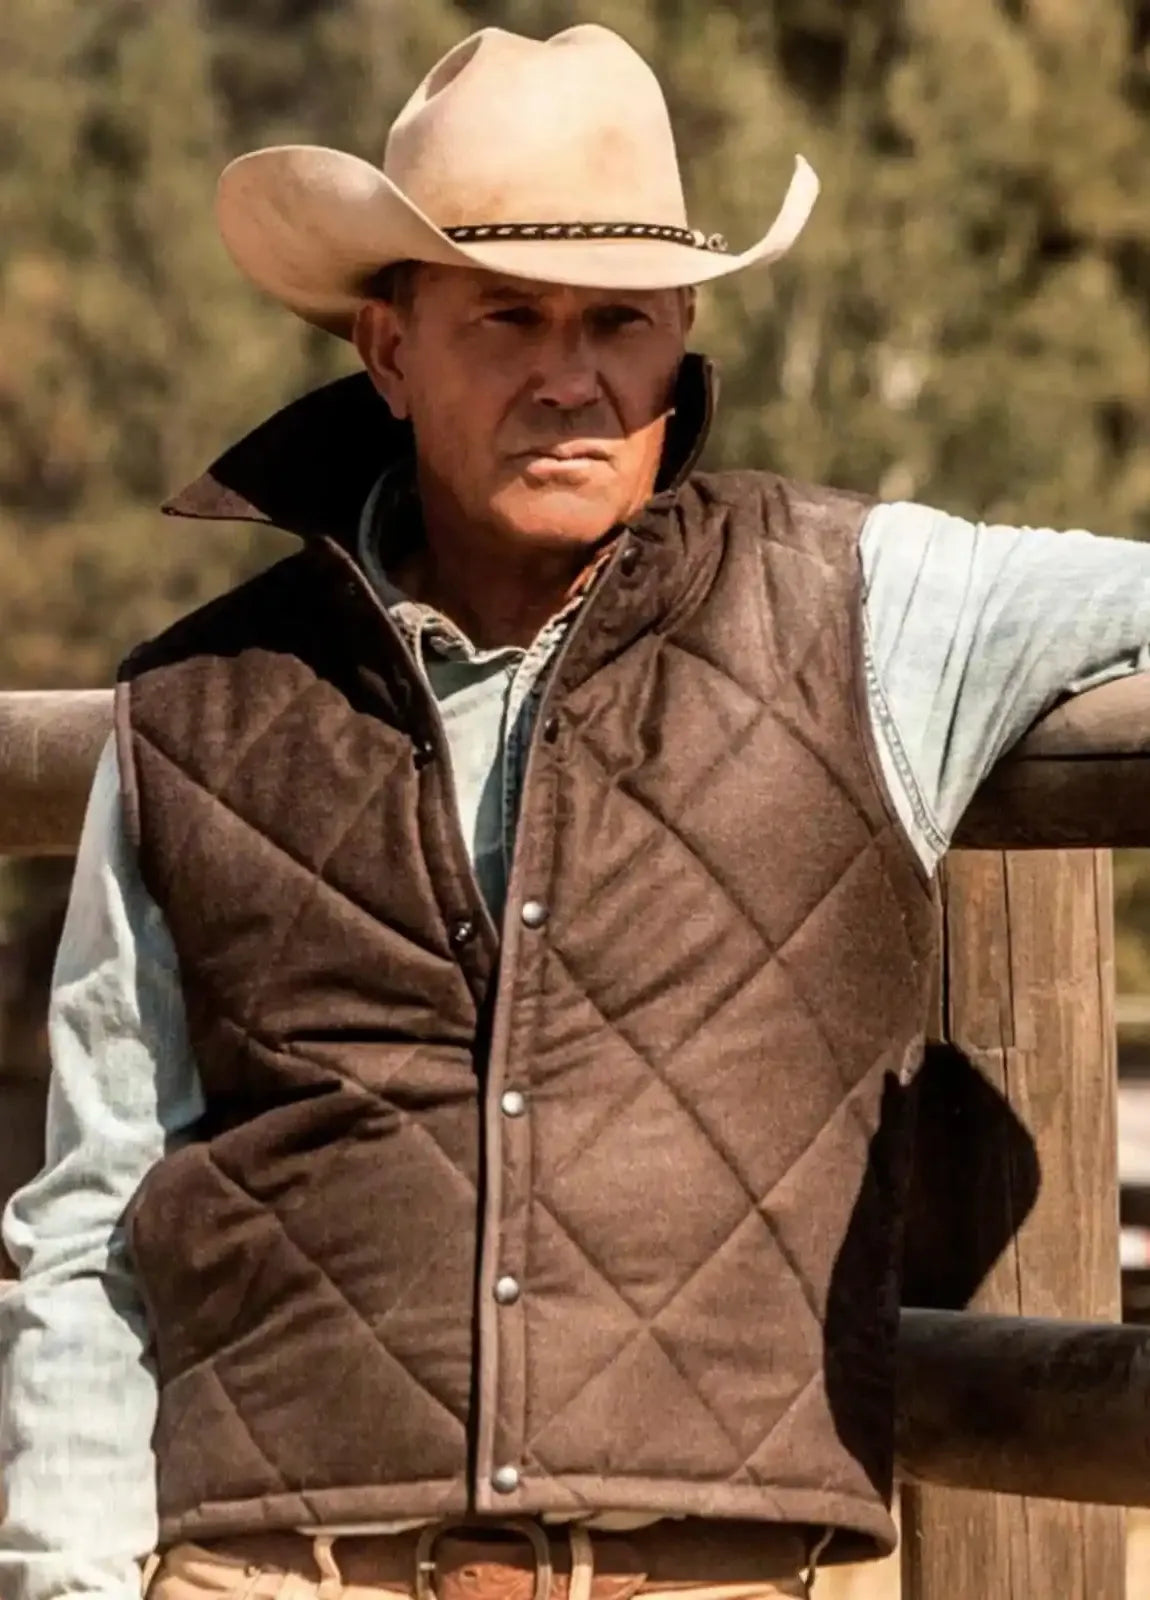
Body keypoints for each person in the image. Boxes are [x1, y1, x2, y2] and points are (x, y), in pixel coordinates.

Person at [3, 22, 1150, 1600]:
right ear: (388, 347)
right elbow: (96, 1213)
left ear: (680, 334)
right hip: (271, 1574)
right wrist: (65, 1583)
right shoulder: (197, 704)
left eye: (617, 318)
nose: (569, 376)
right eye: (507, 315)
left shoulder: (867, 605)